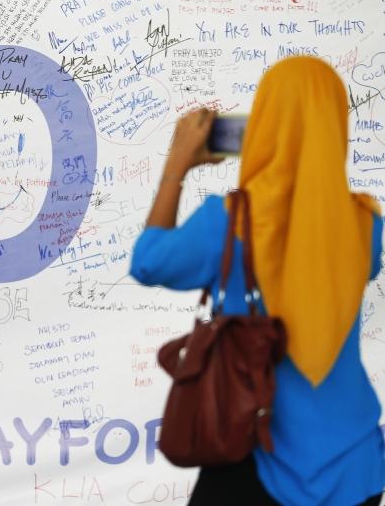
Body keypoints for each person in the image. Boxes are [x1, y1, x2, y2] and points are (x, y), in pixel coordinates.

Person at [130, 56, 384, 506]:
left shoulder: (226, 224)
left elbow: (148, 263)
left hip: (254, 454)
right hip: (357, 465)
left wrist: (178, 165)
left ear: (264, 124)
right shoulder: (368, 228)